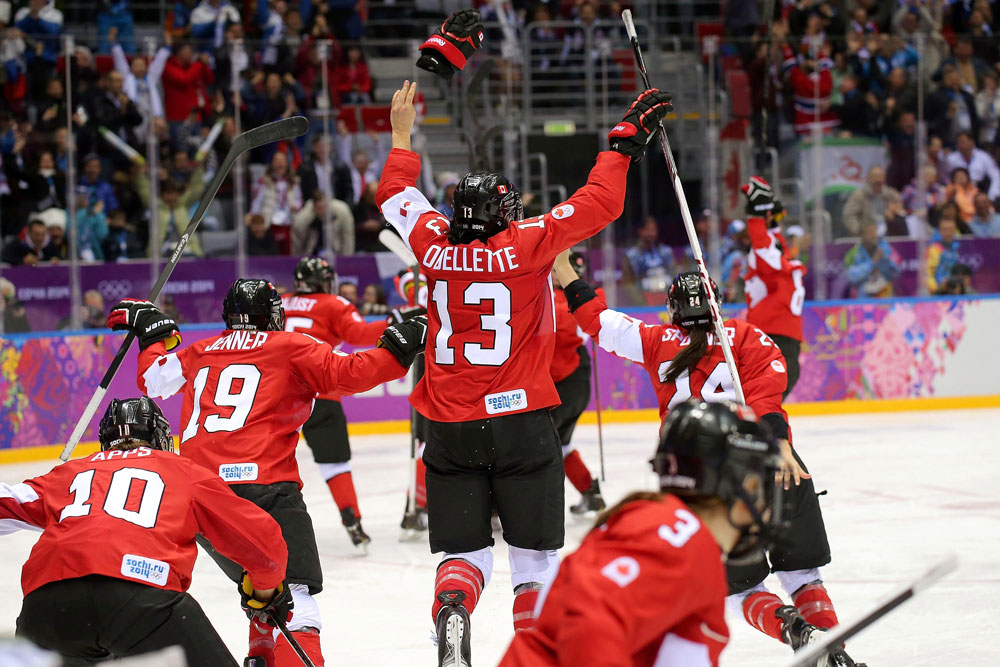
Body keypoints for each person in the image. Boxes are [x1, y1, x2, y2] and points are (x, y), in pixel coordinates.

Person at [376, 79, 672, 665]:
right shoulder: (529, 243)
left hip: (450, 426)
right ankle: (532, 653)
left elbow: (394, 193)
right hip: (524, 422)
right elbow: (600, 202)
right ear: (501, 213)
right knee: (533, 560)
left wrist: (402, 133)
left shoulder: (431, 243)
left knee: (462, 554)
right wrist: (621, 143)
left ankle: (455, 611)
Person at [552, 258, 863, 667]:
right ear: (718, 304)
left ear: (672, 311)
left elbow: (596, 319)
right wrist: (781, 443)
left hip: (706, 482)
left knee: (741, 589)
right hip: (771, 459)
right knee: (803, 573)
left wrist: (566, 270)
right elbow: (768, 393)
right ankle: (834, 652)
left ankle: (792, 627)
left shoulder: (655, 340)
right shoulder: (749, 336)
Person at [108, 278, 427, 666]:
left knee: (262, 587)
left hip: (200, 496)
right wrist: (402, 345)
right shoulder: (292, 345)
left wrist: (155, 334)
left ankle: (260, 657)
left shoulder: (201, 351)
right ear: (274, 316)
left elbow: (153, 380)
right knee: (295, 599)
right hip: (265, 489)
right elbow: (353, 374)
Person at [0, 397, 290, 667]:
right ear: (161, 438)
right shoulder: (184, 471)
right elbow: (262, 540)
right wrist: (265, 593)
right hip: (138, 598)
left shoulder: (68, 474)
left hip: (47, 606)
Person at [499, 400, 786, 667]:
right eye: (759, 480)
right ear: (744, 485)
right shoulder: (673, 535)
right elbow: (589, 620)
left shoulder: (686, 543)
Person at [282, 257, 424, 552]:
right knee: (335, 464)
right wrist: (394, 322)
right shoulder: (334, 304)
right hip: (320, 393)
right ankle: (353, 523)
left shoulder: (280, 302)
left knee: (268, 465)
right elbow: (358, 335)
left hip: (275, 395)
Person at [741, 178, 806, 398]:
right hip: (770, 329)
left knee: (785, 378)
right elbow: (763, 247)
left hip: (779, 328)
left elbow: (774, 248)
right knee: (776, 383)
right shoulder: (768, 261)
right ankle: (761, 421)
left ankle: (762, 420)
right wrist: (757, 216)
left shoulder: (779, 259)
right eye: (776, 218)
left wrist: (768, 214)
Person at [550, 251, 604, 514]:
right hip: (579, 384)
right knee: (562, 444)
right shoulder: (588, 300)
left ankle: (518, 508)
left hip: (559, 386)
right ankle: (590, 493)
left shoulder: (550, 302)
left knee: (537, 448)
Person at [845, 221, 903, 297]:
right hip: (863, 300)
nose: (874, 235)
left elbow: (895, 273)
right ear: (863, 235)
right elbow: (852, 277)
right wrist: (872, 263)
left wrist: (884, 260)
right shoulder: (853, 253)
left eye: (875, 231)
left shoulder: (887, 248)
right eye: (870, 232)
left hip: (885, 298)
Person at [841, 166, 904, 237]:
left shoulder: (891, 195)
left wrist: (895, 211)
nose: (878, 180)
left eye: (880, 176)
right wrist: (860, 231)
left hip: (888, 235)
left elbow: (901, 209)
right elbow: (848, 215)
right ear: (868, 178)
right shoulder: (859, 196)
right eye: (874, 176)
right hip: (866, 236)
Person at [624, 217, 677, 294]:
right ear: (640, 231)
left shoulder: (666, 251)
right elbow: (627, 283)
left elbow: (674, 274)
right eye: (647, 230)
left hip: (666, 296)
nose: (651, 233)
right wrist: (641, 302)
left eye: (653, 230)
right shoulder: (631, 255)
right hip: (643, 299)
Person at [944, 131, 1000, 201]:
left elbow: (996, 175)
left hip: (979, 190)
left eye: (963, 142)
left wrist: (992, 195)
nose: (961, 145)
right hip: (959, 194)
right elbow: (945, 178)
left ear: (972, 142)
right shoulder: (951, 159)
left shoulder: (984, 157)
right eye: (958, 143)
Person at [925, 216, 961, 293]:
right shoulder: (934, 249)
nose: (948, 233)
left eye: (951, 229)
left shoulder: (954, 248)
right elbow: (929, 274)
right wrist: (937, 290)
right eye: (945, 230)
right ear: (940, 231)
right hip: (938, 293)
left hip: (952, 291)